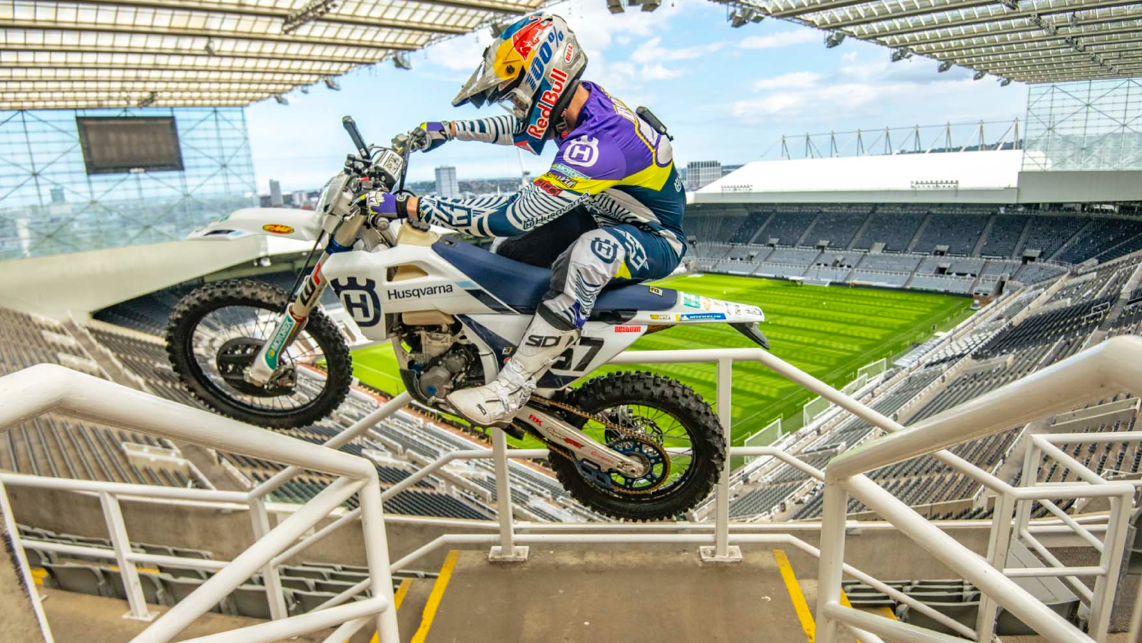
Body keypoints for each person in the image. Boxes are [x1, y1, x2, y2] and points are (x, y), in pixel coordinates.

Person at [366, 12, 686, 426]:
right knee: (508, 255)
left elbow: (512, 216)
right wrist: (446, 129)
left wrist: (413, 207)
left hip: (654, 238)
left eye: (517, 95)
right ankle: (518, 352)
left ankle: (512, 388)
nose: (516, 106)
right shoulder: (580, 103)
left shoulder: (602, 142)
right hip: (601, 215)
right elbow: (519, 127)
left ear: (544, 78)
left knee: (588, 254)